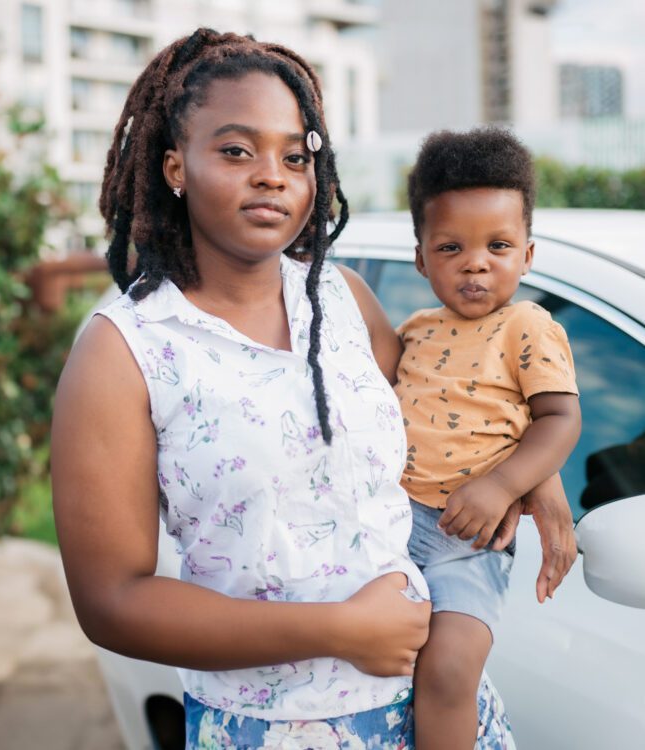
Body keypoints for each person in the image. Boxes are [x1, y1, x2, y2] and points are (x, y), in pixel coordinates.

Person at [51, 29, 575, 748]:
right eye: (237, 150)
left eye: (295, 156)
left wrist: (530, 481)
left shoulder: (343, 297)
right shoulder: (124, 349)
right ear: (176, 166)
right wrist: (340, 631)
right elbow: (111, 603)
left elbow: (444, 416)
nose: (272, 174)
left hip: (440, 715)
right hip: (273, 730)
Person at [394, 128, 582, 750]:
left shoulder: (527, 325)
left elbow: (559, 419)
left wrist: (503, 485)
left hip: (469, 541)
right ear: (421, 258)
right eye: (451, 246)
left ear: (527, 255)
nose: (476, 262)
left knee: (449, 672)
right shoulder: (415, 331)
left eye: (498, 245)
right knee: (372, 665)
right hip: (391, 523)